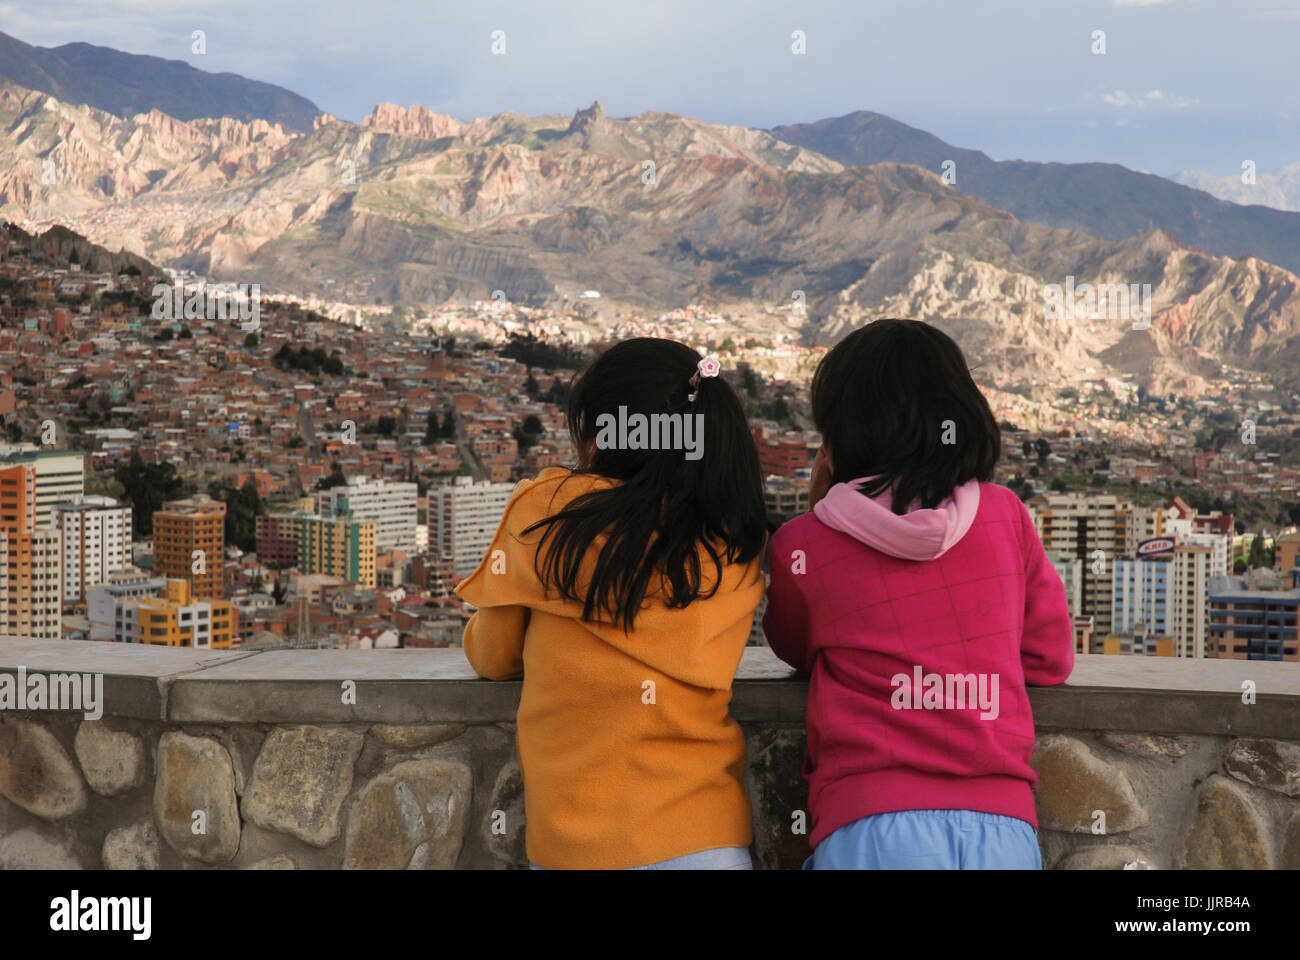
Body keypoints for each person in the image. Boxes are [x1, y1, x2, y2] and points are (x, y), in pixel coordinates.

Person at [763, 318, 1074, 869]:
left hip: (866, 826)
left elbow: (793, 645)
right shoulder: (1006, 516)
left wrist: (820, 510)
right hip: (1000, 829)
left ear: (839, 435)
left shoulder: (803, 542)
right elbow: (1049, 661)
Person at [456, 337, 768, 870]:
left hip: (578, 849)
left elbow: (493, 657)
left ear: (602, 438)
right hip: (706, 840)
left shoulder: (546, 520)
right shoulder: (733, 544)